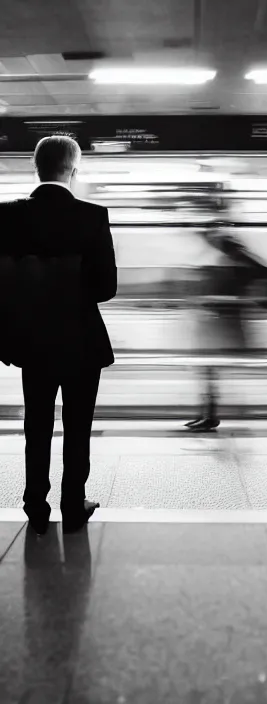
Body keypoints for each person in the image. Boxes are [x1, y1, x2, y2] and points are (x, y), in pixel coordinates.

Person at [0, 135, 117, 535]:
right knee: (78, 424)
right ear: (74, 169)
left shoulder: (7, 215)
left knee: (37, 423)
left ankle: (35, 505)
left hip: (32, 342)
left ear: (37, 167)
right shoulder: (93, 215)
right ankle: (72, 503)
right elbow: (105, 288)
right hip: (81, 342)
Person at [185, 220, 267, 432]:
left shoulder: (237, 260)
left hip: (225, 327)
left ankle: (210, 415)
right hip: (214, 326)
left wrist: (228, 298)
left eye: (214, 239)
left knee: (209, 371)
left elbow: (261, 272)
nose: (211, 242)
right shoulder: (223, 260)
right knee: (207, 371)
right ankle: (207, 414)